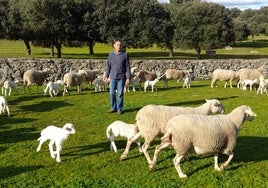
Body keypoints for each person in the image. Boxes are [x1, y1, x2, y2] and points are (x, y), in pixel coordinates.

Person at [104, 39, 131, 114]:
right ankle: (113, 107)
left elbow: (128, 67)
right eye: (117, 45)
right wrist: (106, 76)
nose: (119, 46)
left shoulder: (125, 55)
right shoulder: (110, 55)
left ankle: (119, 109)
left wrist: (128, 78)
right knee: (111, 93)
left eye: (120, 45)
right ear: (114, 46)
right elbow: (108, 66)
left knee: (120, 94)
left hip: (121, 78)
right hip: (112, 78)